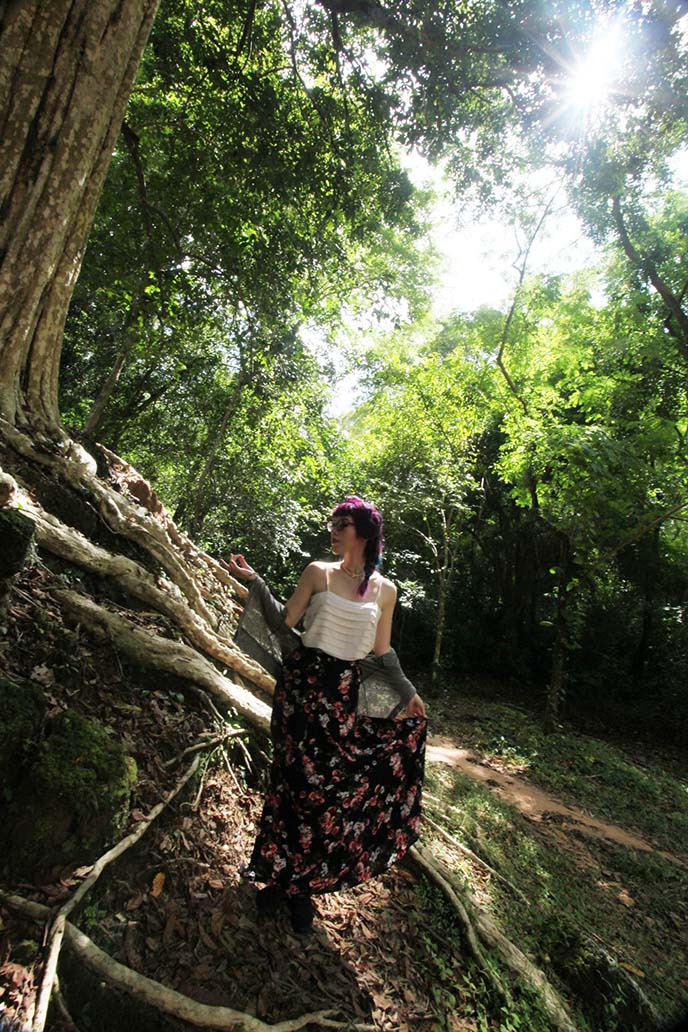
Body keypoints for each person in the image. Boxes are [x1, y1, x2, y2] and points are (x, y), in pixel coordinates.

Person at [226, 496, 427, 936]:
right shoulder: (318, 572)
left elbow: (380, 654)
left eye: (343, 524)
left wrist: (408, 693)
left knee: (327, 796)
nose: (333, 531)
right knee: (292, 784)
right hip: (303, 693)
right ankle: (278, 881)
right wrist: (256, 581)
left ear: (365, 533)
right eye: (332, 523)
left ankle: (302, 888)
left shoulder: (385, 591)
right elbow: (284, 623)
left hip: (342, 702)